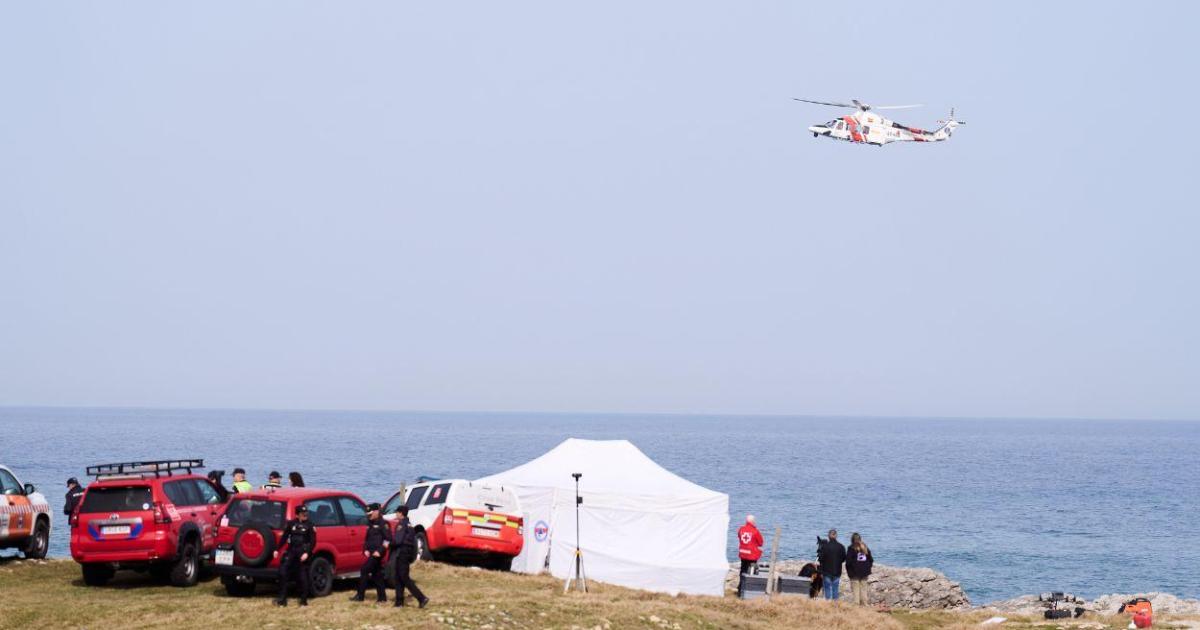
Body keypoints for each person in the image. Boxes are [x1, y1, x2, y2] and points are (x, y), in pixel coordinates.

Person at [274, 505, 316, 606]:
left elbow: (313, 541)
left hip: (303, 551)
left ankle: (303, 600)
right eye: (302, 514)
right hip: (292, 550)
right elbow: (284, 537)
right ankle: (282, 599)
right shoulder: (291, 524)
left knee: (302, 575)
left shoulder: (310, 525)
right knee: (283, 572)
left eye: (306, 514)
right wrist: (277, 549)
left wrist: (307, 553)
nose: (305, 515)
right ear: (297, 515)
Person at [390, 506, 429, 608]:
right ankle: (399, 602)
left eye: (397, 512)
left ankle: (421, 598)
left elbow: (397, 541)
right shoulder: (410, 525)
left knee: (404, 578)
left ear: (401, 513)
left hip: (401, 553)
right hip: (407, 553)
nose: (396, 514)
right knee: (398, 577)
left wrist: (389, 543)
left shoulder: (401, 525)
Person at [351, 502, 390, 603]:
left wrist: (380, 551)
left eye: (370, 514)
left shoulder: (383, 524)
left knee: (364, 570)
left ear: (376, 512)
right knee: (377, 575)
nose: (369, 516)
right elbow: (367, 539)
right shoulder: (370, 523)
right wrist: (365, 549)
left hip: (377, 553)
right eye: (367, 515)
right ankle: (382, 598)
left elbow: (387, 540)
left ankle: (360, 596)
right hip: (371, 552)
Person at [736, 514, 764, 591]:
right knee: (751, 571)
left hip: (742, 553)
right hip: (751, 555)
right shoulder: (755, 531)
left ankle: (740, 587)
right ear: (752, 521)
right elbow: (761, 543)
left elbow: (739, 536)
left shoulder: (741, 529)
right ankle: (747, 589)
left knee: (743, 570)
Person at [817, 529, 846, 601]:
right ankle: (835, 605)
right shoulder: (841, 547)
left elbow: (821, 559)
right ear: (836, 536)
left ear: (828, 536)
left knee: (827, 589)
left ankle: (828, 604)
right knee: (835, 588)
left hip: (826, 571)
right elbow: (843, 559)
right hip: (837, 571)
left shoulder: (825, 547)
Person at [845, 532, 874, 606]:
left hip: (854, 572)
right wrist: (868, 568)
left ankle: (856, 604)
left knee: (856, 589)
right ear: (860, 539)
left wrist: (849, 571)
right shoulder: (865, 547)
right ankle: (865, 604)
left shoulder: (851, 548)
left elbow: (848, 562)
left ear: (852, 540)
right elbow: (871, 560)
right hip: (864, 572)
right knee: (864, 589)